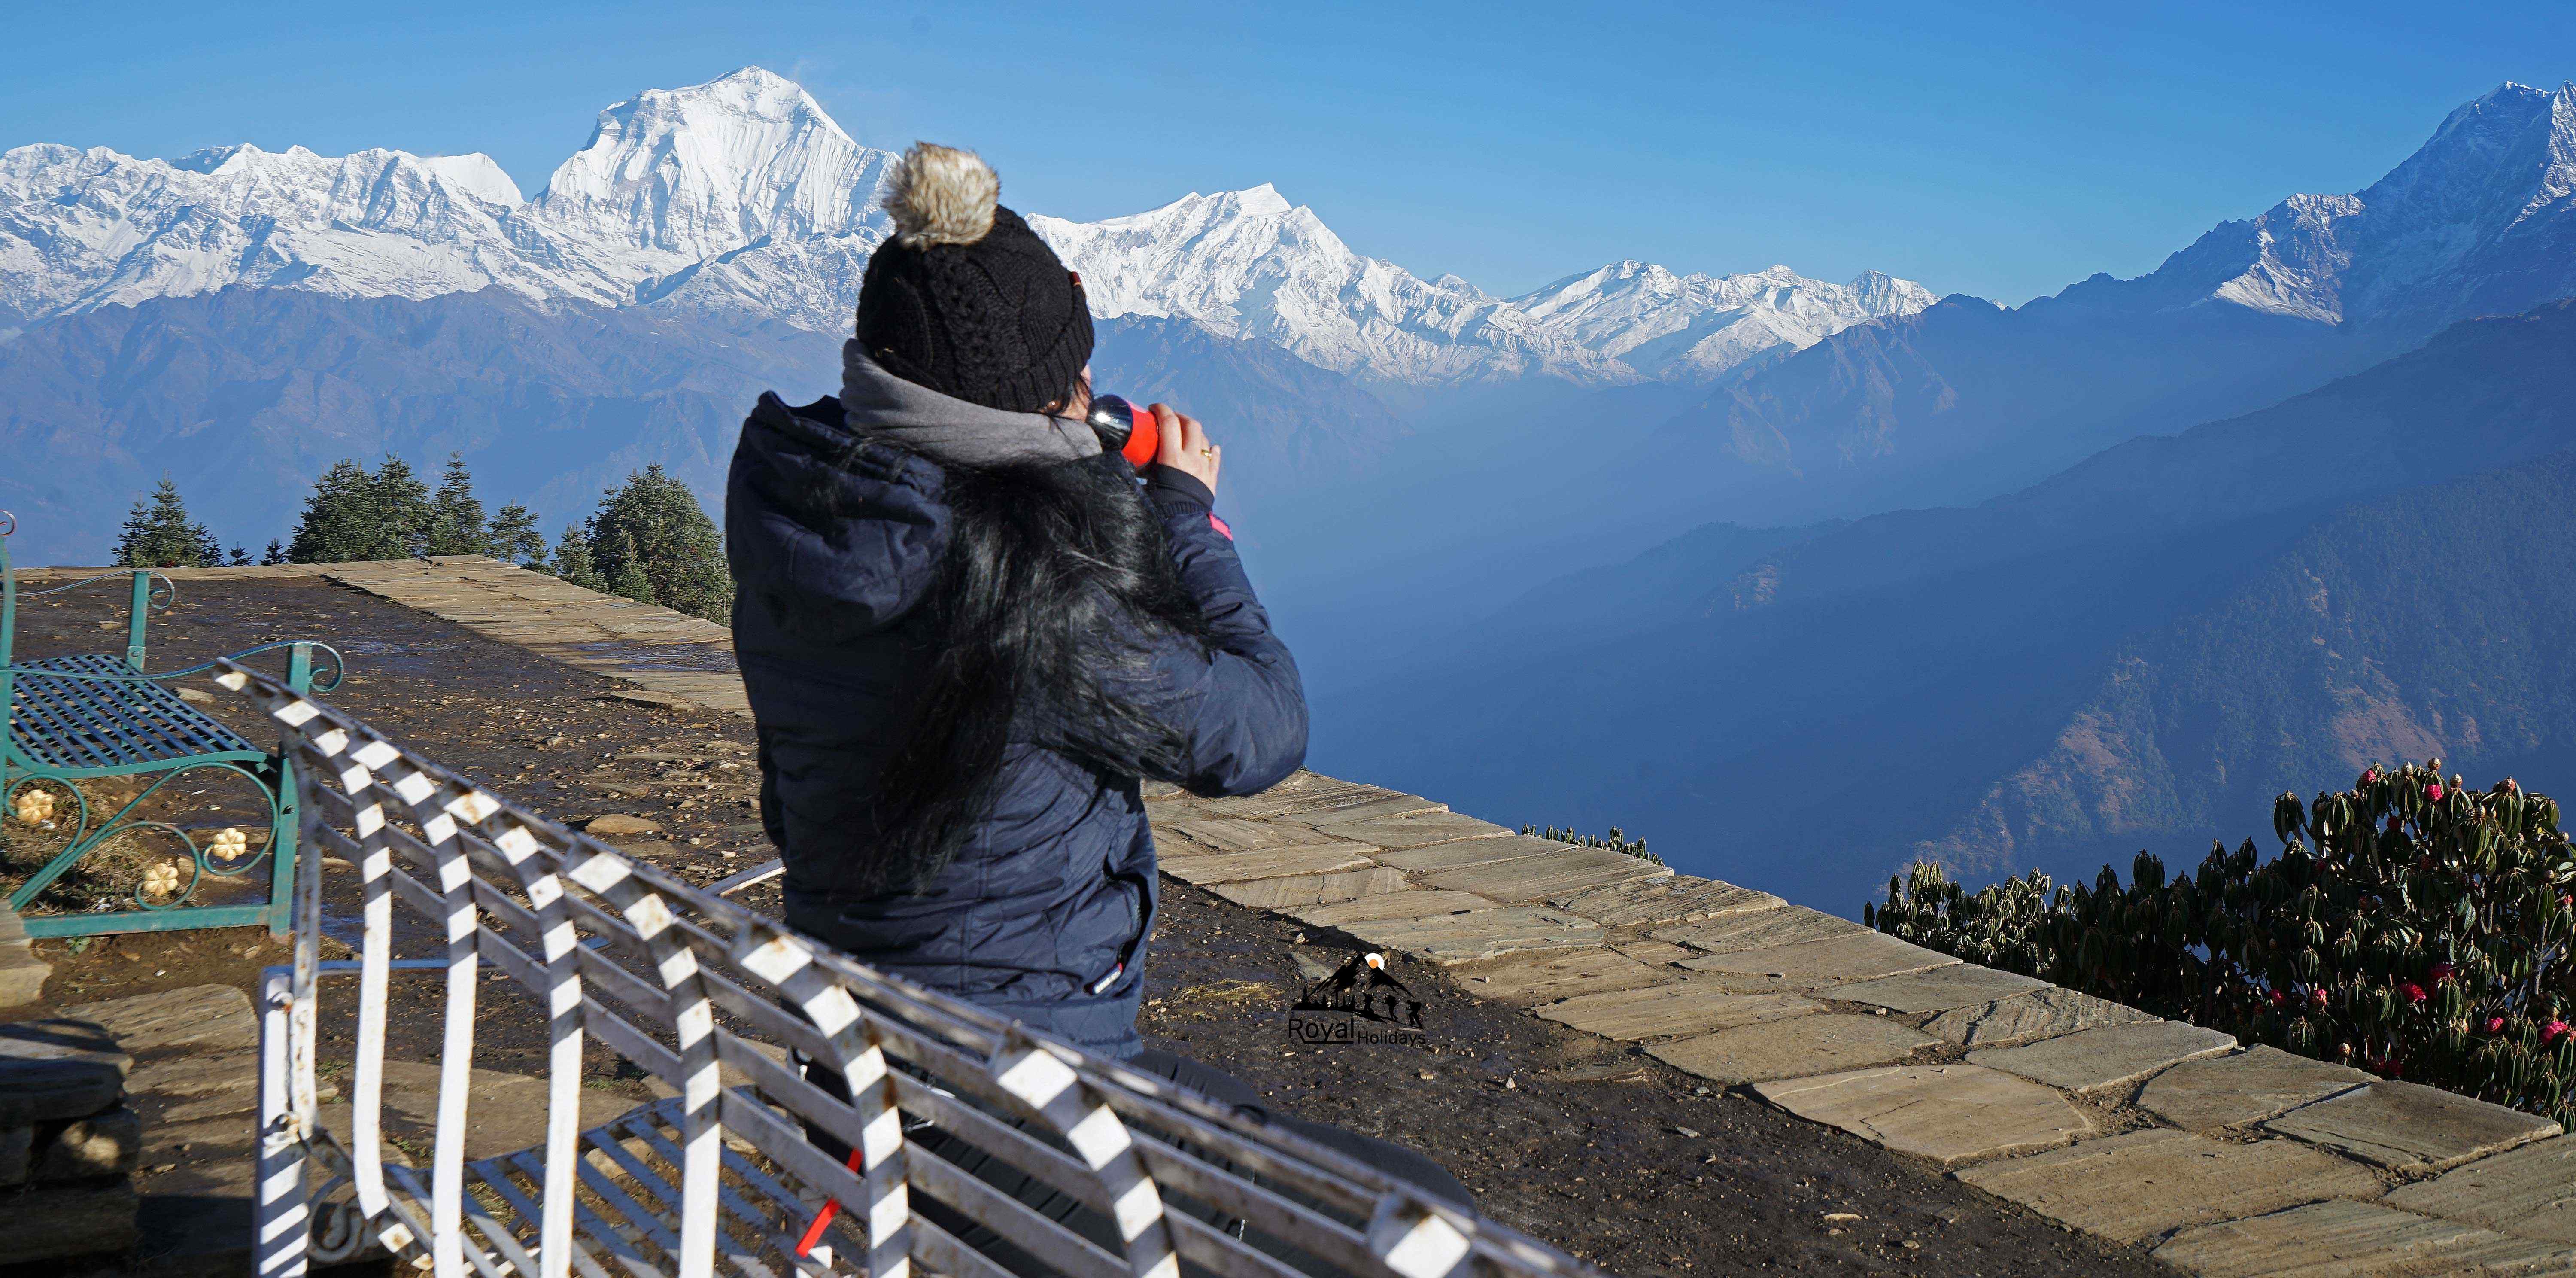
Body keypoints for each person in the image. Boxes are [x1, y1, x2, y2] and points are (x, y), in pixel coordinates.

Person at [725, 142, 1469, 1242]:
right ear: (1032, 408)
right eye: (1074, 382)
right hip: (1012, 1097)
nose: (1091, 398)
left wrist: (1057, 474)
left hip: (855, 1063)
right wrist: (1186, 520)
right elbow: (1259, 729)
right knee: (1429, 1233)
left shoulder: (796, 506)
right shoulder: (1028, 593)